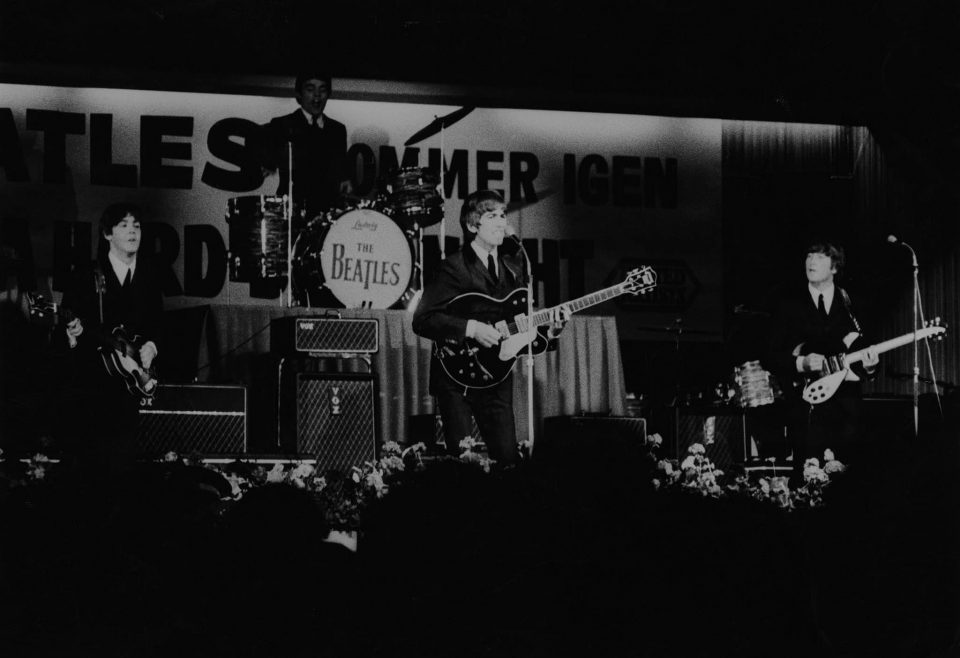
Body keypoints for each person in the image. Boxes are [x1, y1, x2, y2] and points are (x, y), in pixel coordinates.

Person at [412, 190, 567, 466]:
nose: (500, 222)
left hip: (496, 378)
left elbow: (520, 332)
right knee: (463, 463)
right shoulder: (453, 267)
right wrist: (470, 328)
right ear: (473, 226)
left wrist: (550, 331)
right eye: (491, 216)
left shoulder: (514, 269)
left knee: (507, 461)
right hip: (456, 379)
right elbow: (422, 319)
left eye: (503, 215)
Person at [55, 203, 164, 474]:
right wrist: (72, 335)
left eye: (136, 226)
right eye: (124, 225)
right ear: (107, 234)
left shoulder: (150, 275)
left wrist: (151, 346)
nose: (132, 232)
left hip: (134, 390)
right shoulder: (85, 276)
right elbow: (65, 331)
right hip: (93, 393)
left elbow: (159, 323)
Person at [767, 242, 878, 471]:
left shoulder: (852, 302)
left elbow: (863, 350)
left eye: (819, 257)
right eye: (809, 256)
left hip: (846, 412)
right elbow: (769, 355)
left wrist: (870, 366)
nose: (811, 261)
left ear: (835, 268)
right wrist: (801, 363)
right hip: (805, 409)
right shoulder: (788, 304)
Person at [261, 73, 353, 219]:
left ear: (328, 94)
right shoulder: (281, 125)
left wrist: (344, 180)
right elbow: (267, 162)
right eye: (310, 89)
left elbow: (341, 173)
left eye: (322, 90)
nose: (317, 95)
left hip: (327, 214)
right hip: (291, 211)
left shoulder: (337, 130)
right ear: (299, 94)